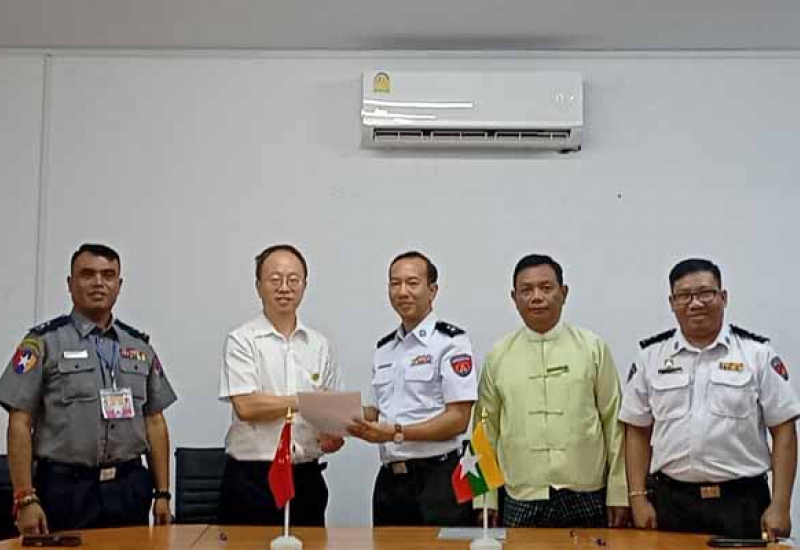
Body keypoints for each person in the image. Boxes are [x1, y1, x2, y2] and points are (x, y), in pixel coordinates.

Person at [0, 243, 177, 534]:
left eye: (108, 275)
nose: (98, 282)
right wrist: (25, 498)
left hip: (128, 487)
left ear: (119, 285)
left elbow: (155, 422)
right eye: (87, 274)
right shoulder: (44, 342)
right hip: (66, 489)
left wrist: (163, 493)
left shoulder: (139, 346)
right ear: (70, 284)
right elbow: (20, 422)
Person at [621, 258, 800, 539]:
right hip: (672, 503)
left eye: (705, 293)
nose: (695, 303)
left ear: (723, 297)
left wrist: (781, 505)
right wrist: (637, 498)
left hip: (741, 502)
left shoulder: (757, 355)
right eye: (684, 296)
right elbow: (636, 431)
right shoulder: (650, 358)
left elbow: (784, 430)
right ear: (672, 303)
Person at [475, 254, 628, 528]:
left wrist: (619, 491)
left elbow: (614, 422)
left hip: (586, 492)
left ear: (564, 293)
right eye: (526, 290)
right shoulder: (498, 356)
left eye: (546, 288)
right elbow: (484, 431)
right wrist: (484, 498)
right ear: (514, 298)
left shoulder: (593, 348)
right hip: (521, 495)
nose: (537, 297)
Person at [218, 244, 344, 526]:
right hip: (253, 479)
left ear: (304, 285)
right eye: (275, 280)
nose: (284, 288)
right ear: (258, 286)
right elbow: (247, 406)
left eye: (293, 280)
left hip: (306, 478)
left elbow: (329, 413)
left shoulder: (320, 345)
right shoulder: (242, 340)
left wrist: (332, 433)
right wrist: (304, 401)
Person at [348, 251, 477, 526]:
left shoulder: (451, 342)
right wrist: (333, 418)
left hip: (439, 479)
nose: (402, 291)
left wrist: (396, 433)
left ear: (432, 290)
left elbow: (458, 419)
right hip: (390, 483)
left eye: (412, 283)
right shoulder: (384, 349)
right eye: (395, 283)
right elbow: (374, 412)